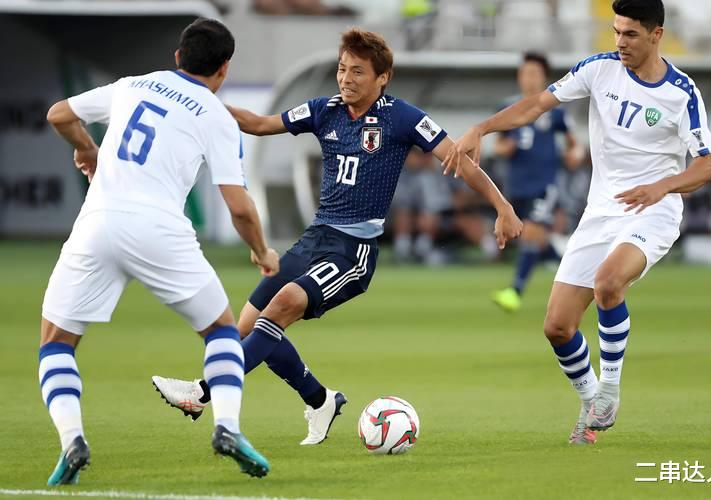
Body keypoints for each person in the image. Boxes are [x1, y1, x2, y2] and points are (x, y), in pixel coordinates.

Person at [152, 27, 522, 446]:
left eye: (357, 71)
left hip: (353, 250)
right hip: (314, 239)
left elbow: (459, 160)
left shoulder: (402, 117)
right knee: (247, 329)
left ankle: (202, 393)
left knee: (282, 306)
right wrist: (202, 100)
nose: (346, 78)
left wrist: (502, 206)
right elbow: (258, 123)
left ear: (382, 77)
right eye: (342, 69)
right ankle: (321, 400)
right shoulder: (323, 109)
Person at [444, 0, 711, 445]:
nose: (620, 42)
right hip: (600, 212)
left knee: (609, 282)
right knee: (557, 326)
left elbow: (707, 165)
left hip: (654, 211)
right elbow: (537, 105)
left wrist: (662, 186)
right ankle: (592, 405)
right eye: (616, 31)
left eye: (631, 34)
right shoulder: (598, 69)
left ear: (656, 35)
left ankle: (609, 390)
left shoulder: (681, 92)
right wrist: (481, 128)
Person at [40, 18, 279, 484]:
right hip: (160, 230)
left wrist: (87, 149)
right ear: (224, 68)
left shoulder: (133, 85)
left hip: (98, 223)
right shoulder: (216, 115)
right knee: (221, 331)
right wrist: (262, 251)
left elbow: (58, 114)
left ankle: (72, 440)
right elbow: (239, 207)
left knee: (56, 342)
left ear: (177, 56)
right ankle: (227, 428)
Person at [490, 52, 584, 312]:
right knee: (533, 239)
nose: (528, 79)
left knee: (531, 233)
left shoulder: (555, 111)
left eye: (534, 73)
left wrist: (574, 156)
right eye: (524, 73)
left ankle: (515, 292)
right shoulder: (507, 107)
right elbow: (497, 146)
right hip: (515, 186)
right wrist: (506, 148)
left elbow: (575, 145)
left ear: (544, 78)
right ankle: (569, 263)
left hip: (545, 185)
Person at [392, 147, 452, 265]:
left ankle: (422, 252)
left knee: (429, 216)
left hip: (435, 217)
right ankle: (402, 253)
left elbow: (440, 202)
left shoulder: (431, 174)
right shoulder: (398, 173)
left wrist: (423, 213)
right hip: (400, 214)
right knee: (404, 215)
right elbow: (397, 200)